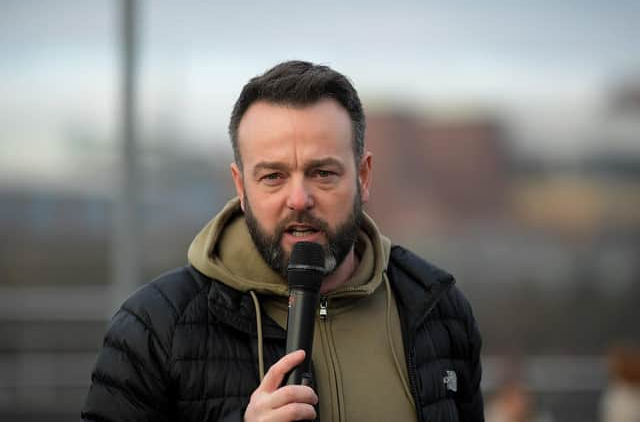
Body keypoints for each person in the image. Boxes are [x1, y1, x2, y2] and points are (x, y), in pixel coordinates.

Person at [81, 60, 484, 422]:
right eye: (273, 176)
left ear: (363, 177)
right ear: (240, 186)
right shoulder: (155, 326)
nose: (299, 199)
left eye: (323, 173)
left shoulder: (435, 308)